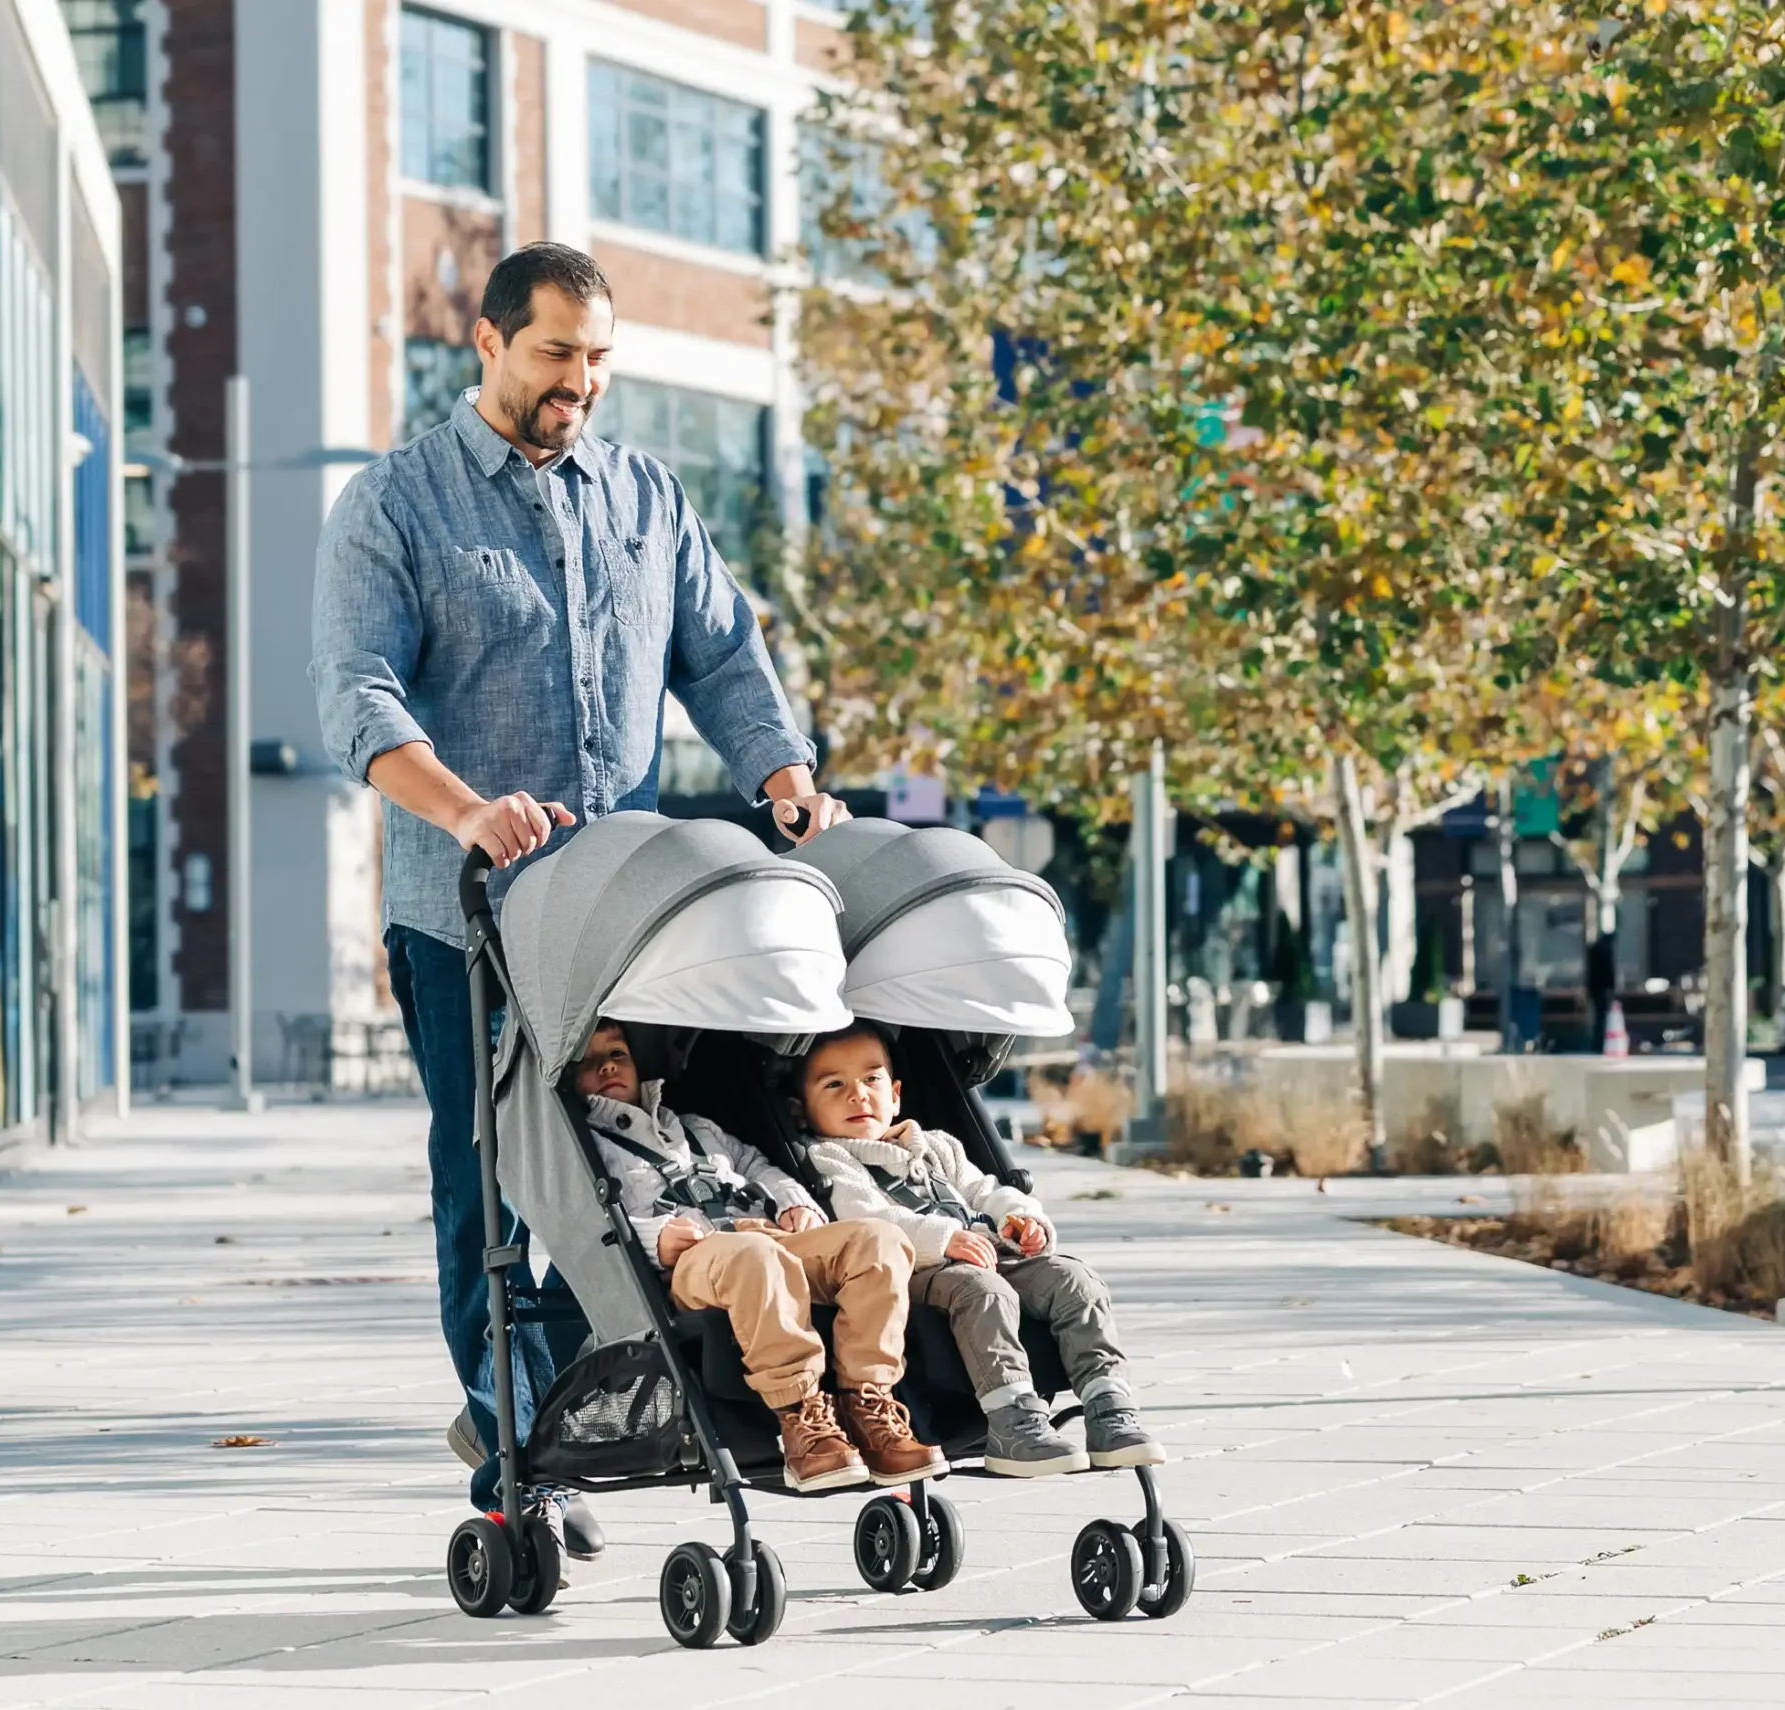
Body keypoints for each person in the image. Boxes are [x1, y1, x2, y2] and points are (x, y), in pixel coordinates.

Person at [310, 242, 847, 1550]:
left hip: (629, 921)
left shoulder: (646, 498)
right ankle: (521, 1432)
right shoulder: (399, 505)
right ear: (487, 343)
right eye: (557, 354)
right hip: (469, 921)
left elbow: (720, 644)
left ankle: (556, 1396)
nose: (581, 383)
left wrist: (781, 763)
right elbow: (357, 695)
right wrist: (466, 810)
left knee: (617, 1176)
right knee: (487, 1189)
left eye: (600, 359)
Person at [573, 1023, 944, 1489]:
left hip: (765, 1233)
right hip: (692, 1258)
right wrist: (652, 1237)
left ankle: (869, 1404)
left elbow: (754, 1165)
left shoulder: (693, 1127)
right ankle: (802, 1418)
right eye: (589, 1062)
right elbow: (586, 1223)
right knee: (755, 1257)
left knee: (879, 1241)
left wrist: (795, 1202)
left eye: (617, 1053)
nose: (607, 1065)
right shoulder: (589, 1144)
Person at [796, 1024, 1164, 1476]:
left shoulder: (938, 1146)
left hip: (991, 1252)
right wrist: (945, 1238)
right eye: (834, 1085)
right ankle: (1015, 1420)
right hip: (918, 1271)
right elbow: (867, 1219)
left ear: (894, 1094)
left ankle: (1110, 1407)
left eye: (870, 1080)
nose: (857, 1095)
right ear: (804, 1108)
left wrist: (1022, 1219)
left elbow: (985, 1189)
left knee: (1074, 1279)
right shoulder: (828, 1158)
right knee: (984, 1290)